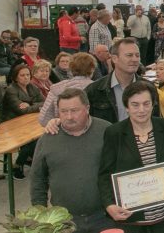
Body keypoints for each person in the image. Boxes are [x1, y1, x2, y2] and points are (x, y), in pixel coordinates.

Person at [30, 88, 115, 233]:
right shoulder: (48, 138)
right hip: (64, 222)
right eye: (63, 111)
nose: (69, 116)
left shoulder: (107, 131)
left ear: (87, 108)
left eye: (75, 110)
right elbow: (38, 179)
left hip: (106, 218)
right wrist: (41, 215)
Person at [98, 81, 164, 233]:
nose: (141, 110)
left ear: (153, 104)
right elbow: (104, 173)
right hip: (131, 218)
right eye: (135, 105)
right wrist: (109, 204)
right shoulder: (114, 133)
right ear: (126, 107)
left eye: (146, 104)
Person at [85, 38, 158, 124]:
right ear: (115, 58)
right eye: (129, 55)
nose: (135, 59)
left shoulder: (149, 88)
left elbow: (155, 122)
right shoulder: (94, 90)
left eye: (137, 55)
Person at [1, 64, 44, 179]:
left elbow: (44, 102)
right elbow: (22, 111)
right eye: (22, 75)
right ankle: (17, 165)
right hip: (9, 124)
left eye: (27, 75)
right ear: (15, 77)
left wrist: (30, 105)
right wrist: (35, 106)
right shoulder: (11, 90)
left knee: (42, 135)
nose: (26, 77)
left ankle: (26, 159)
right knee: (33, 139)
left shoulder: (32, 87)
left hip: (26, 122)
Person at [38, 52, 96, 126]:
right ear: (92, 69)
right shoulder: (99, 88)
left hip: (63, 131)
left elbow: (43, 119)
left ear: (70, 68)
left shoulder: (57, 88)